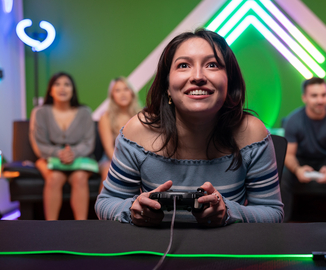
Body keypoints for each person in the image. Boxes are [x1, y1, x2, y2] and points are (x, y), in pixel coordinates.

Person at [95, 29, 284, 227]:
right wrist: (132, 210)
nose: (198, 76)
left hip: (227, 253)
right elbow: (106, 203)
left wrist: (229, 212)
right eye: (183, 65)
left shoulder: (252, 132)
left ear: (229, 81)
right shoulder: (137, 131)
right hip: (154, 253)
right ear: (167, 85)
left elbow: (272, 212)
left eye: (212, 65)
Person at [281, 77, 326, 224]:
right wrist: (298, 169)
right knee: (283, 177)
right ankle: (282, 225)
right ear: (304, 98)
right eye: (314, 96)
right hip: (301, 160)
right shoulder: (293, 121)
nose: (320, 100)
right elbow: (289, 155)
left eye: (324, 95)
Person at [29, 72, 95, 220]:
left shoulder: (85, 112)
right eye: (57, 84)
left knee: (80, 178)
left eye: (67, 84)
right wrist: (58, 153)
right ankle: (50, 228)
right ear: (50, 90)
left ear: (73, 90)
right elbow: (39, 144)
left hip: (80, 158)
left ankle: (81, 228)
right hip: (48, 158)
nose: (62, 88)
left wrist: (73, 153)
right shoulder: (40, 112)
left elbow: (88, 142)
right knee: (54, 178)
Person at [98, 77, 141, 192]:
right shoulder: (105, 117)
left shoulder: (142, 115)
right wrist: (125, 165)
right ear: (112, 96)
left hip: (138, 158)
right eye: (117, 90)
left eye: (126, 89)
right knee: (108, 172)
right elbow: (108, 148)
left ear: (131, 92)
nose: (122, 94)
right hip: (111, 157)